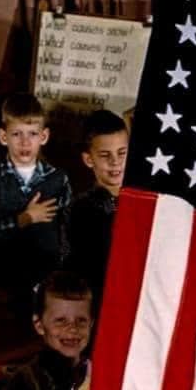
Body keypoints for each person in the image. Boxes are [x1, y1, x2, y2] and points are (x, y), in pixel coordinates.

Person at [0, 93, 71, 298]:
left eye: (32, 134)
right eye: (17, 134)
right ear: (3, 137)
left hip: (46, 281)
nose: (25, 142)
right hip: (1, 281)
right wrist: (24, 219)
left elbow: (68, 230)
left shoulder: (58, 179)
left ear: (44, 137)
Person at [67, 109, 128, 301]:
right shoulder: (80, 210)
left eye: (122, 153)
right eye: (105, 155)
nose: (115, 162)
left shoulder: (146, 202)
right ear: (88, 159)